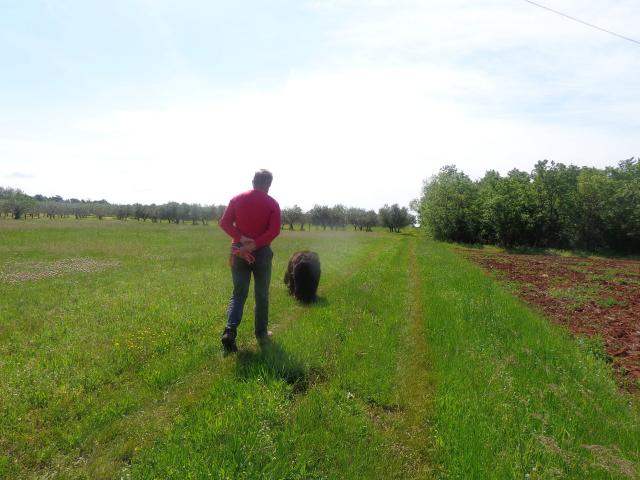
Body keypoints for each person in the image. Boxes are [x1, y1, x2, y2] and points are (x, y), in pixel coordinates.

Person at [218, 169, 281, 352]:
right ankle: (261, 334)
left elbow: (224, 223)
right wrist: (255, 244)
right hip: (261, 254)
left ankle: (229, 331)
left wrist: (241, 238)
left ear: (253, 181)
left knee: (239, 293)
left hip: (238, 252)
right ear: (268, 184)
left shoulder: (236, 199)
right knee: (261, 295)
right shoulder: (272, 204)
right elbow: (274, 230)